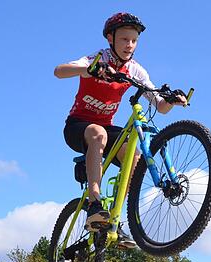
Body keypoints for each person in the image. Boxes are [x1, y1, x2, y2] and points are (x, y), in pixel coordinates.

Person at [54, 12, 187, 248]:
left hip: (105, 127)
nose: (130, 45)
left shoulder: (135, 70)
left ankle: (114, 220)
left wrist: (173, 100)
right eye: (125, 39)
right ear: (110, 38)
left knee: (134, 157)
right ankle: (95, 204)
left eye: (134, 41)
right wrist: (89, 69)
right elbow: (59, 70)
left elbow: (160, 107)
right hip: (78, 126)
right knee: (99, 134)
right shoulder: (97, 58)